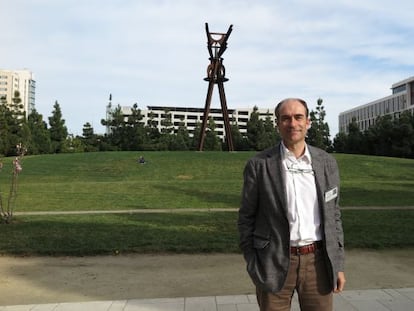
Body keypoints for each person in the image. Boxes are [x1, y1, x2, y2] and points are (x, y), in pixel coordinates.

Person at [238, 98, 345, 311]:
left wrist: (338, 264)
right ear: (277, 124)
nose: (292, 123)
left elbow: (334, 216)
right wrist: (253, 262)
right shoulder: (259, 165)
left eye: (298, 117)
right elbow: (246, 217)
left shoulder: (326, 163)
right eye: (285, 118)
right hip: (273, 262)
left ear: (308, 122)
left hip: (318, 264)